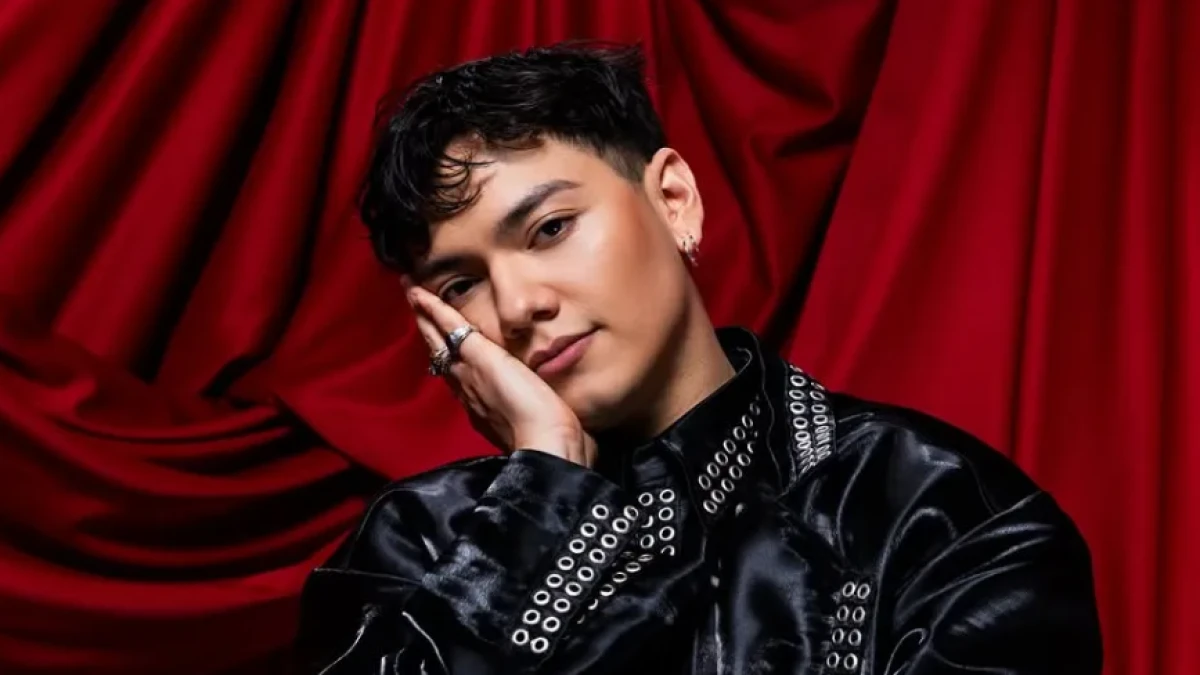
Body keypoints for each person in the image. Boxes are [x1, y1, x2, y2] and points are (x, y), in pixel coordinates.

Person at [296, 43, 1102, 674]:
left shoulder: (943, 514)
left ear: (673, 199)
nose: (515, 307)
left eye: (550, 229)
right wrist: (542, 492)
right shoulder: (419, 542)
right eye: (463, 283)